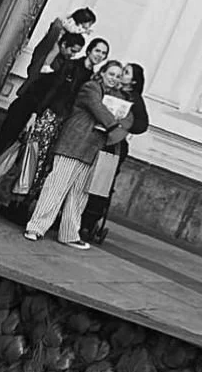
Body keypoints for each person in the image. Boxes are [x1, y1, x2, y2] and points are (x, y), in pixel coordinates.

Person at [24, 59, 127, 249]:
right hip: (74, 143)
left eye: (118, 76)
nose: (114, 78)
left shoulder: (116, 96)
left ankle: (69, 234)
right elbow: (98, 108)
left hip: (93, 149)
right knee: (56, 186)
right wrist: (116, 126)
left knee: (79, 194)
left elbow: (127, 117)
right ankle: (36, 227)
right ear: (102, 73)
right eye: (111, 74)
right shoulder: (91, 87)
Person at [0, 28, 89, 172]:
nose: (73, 54)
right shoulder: (51, 61)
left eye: (76, 52)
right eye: (72, 50)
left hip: (34, 107)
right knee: (5, 139)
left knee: (10, 141)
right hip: (27, 104)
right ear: (63, 45)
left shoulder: (64, 63)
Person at [80, 62, 148, 244]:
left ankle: (88, 223)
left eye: (125, 73)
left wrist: (123, 123)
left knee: (101, 184)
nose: (121, 75)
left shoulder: (135, 99)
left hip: (114, 144)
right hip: (96, 138)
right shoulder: (109, 89)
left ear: (133, 81)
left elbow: (142, 125)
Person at [17, 8, 96, 98]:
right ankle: (46, 65)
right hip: (58, 40)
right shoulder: (70, 24)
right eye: (88, 24)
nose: (88, 26)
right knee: (55, 50)